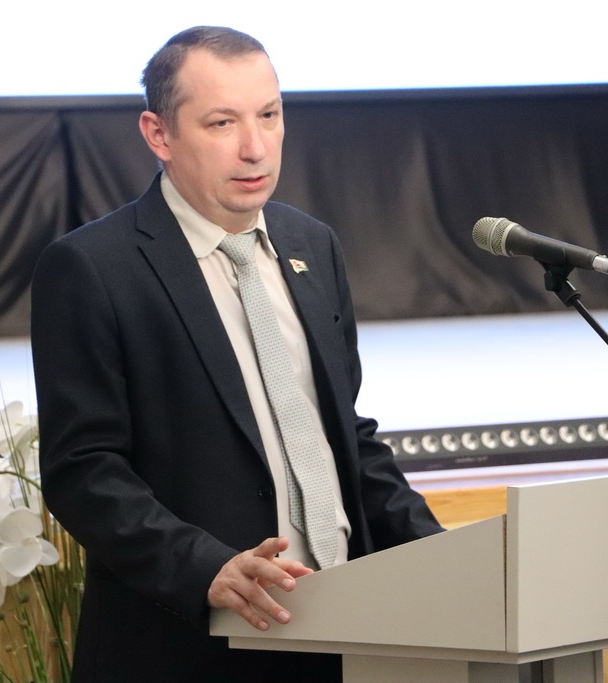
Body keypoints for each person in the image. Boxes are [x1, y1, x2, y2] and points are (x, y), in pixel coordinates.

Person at [31, 25, 444, 682]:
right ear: (158, 134)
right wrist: (205, 567)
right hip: (190, 643)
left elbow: (342, 435)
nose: (255, 147)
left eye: (269, 116)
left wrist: (439, 552)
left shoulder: (313, 246)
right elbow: (83, 470)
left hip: (344, 625)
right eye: (222, 123)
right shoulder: (91, 268)